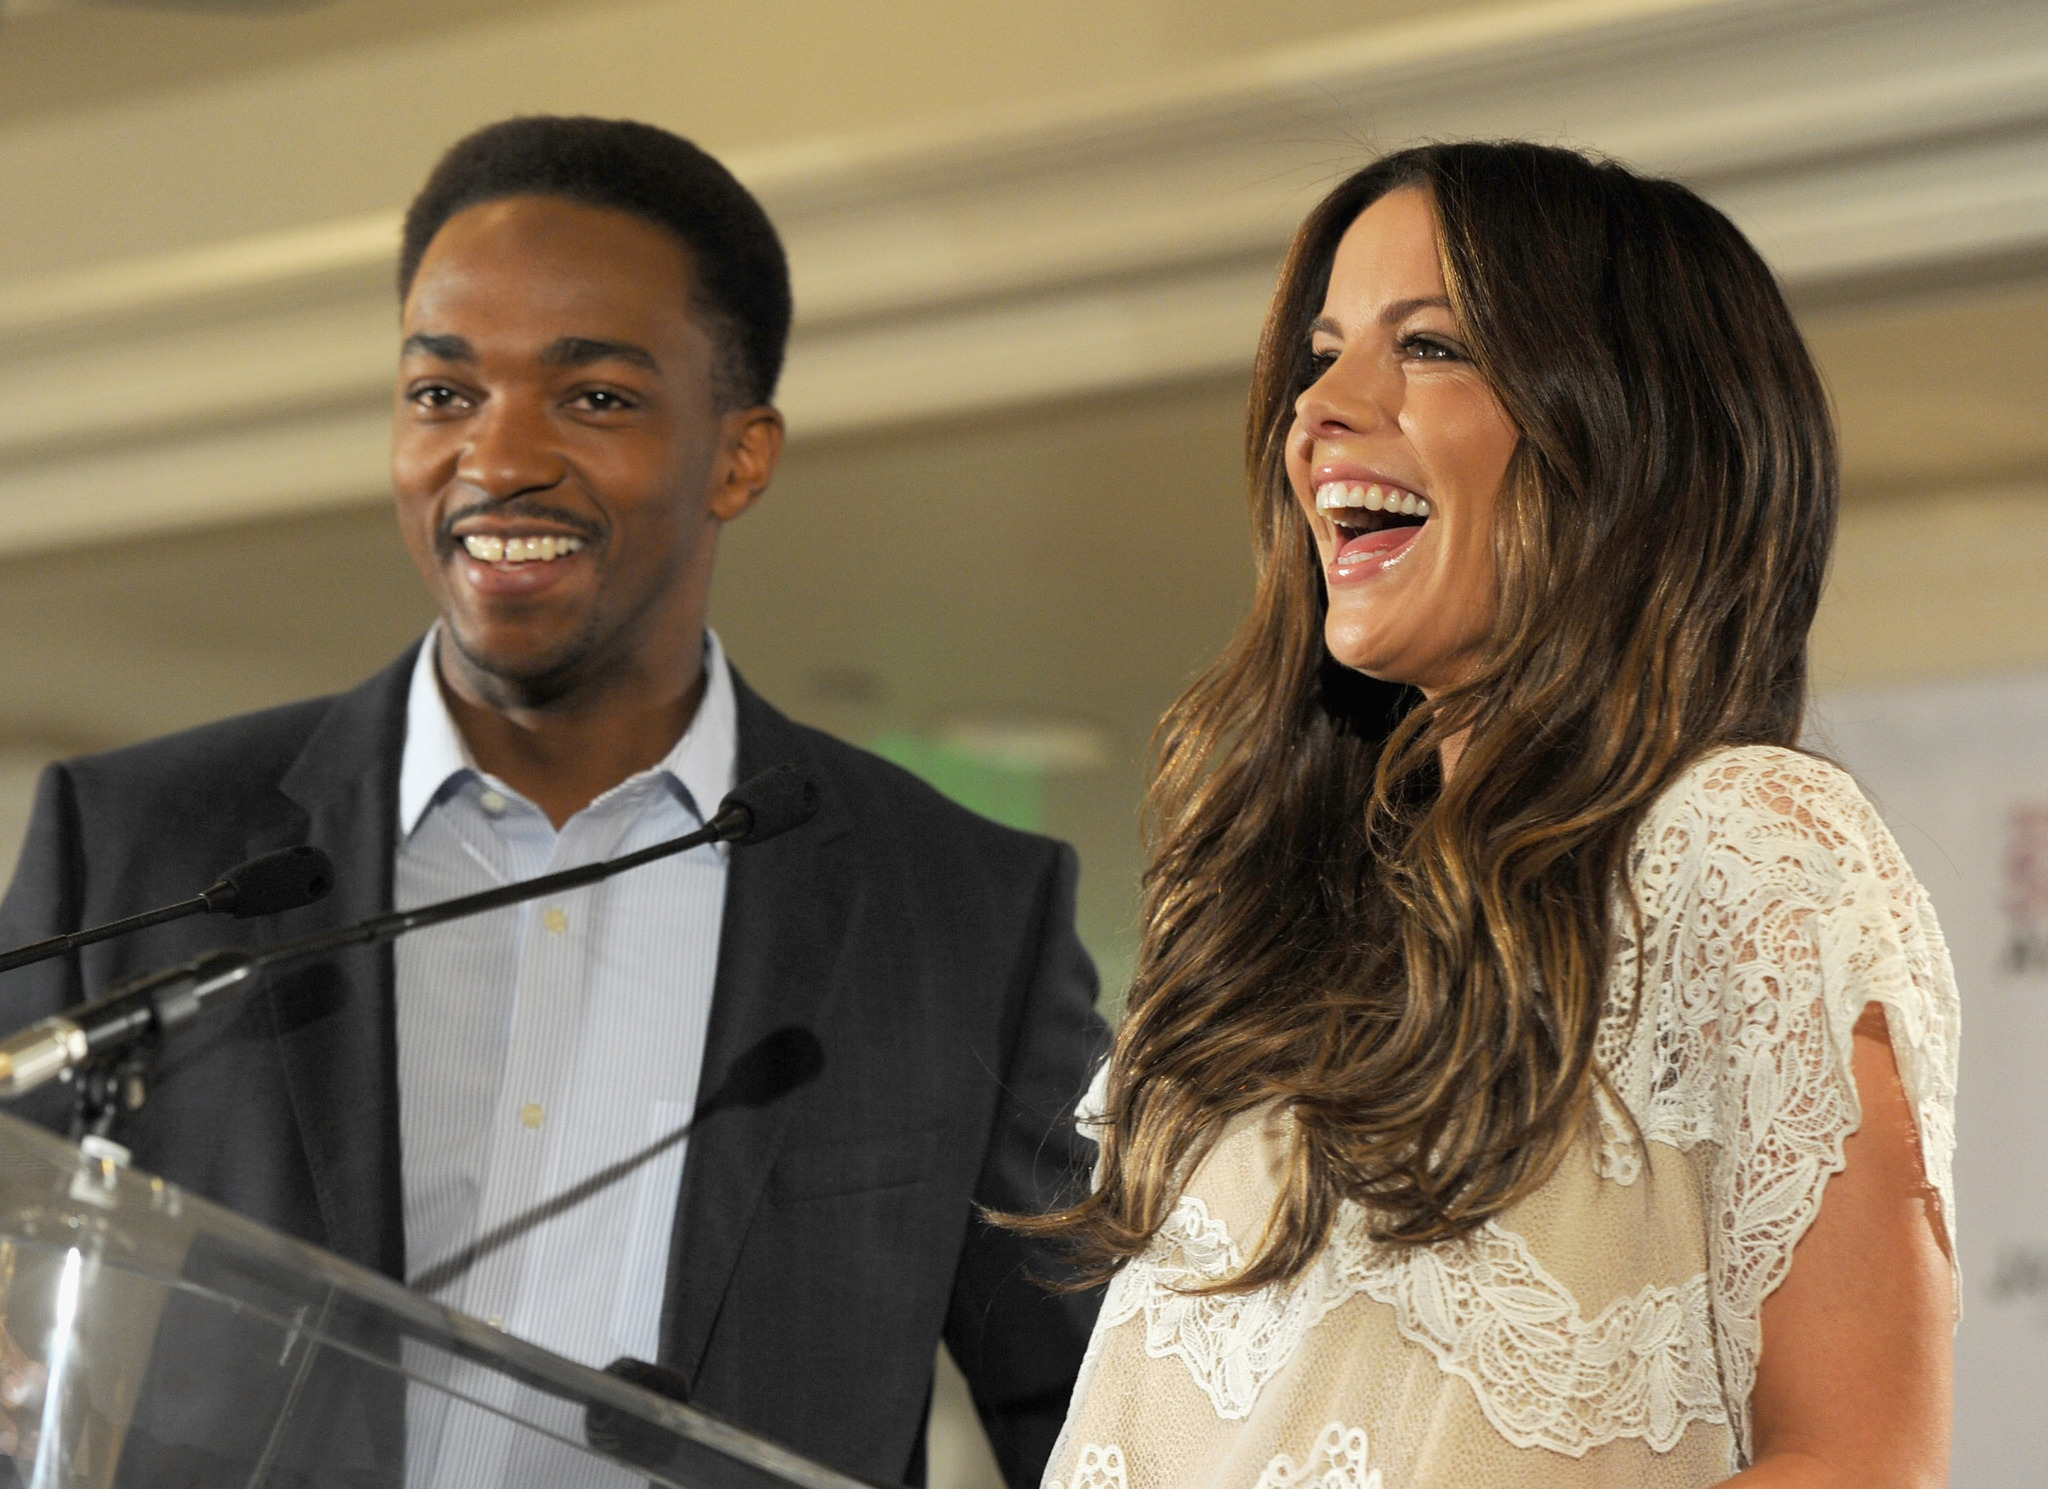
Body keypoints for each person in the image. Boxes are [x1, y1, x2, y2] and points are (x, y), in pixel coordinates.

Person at [0, 116, 1105, 1488]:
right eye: (441, 392)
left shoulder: (962, 910)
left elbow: (1105, 1413)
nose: (497, 456)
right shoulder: (143, 851)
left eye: (595, 398)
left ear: (740, 456)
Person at [1029, 143, 1958, 1489]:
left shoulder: (1743, 843)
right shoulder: (1276, 891)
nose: (1323, 411)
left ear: (1628, 436)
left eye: (1434, 346)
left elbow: (1860, 1461)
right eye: (1324, 352)